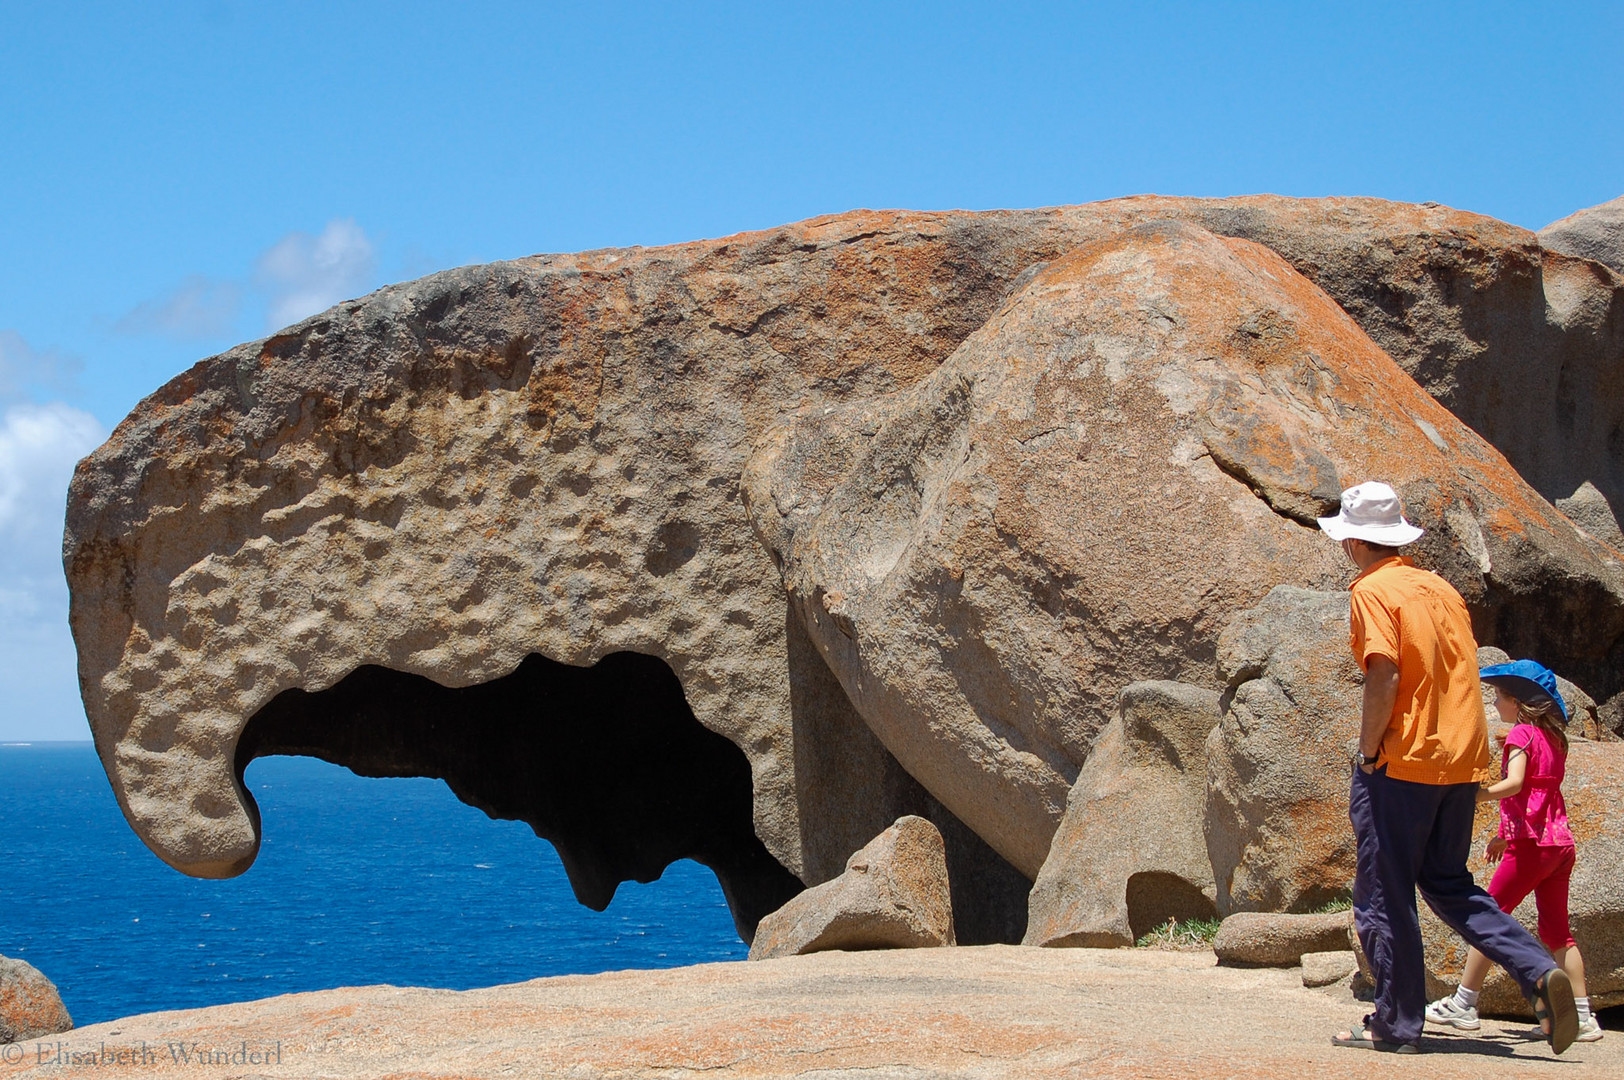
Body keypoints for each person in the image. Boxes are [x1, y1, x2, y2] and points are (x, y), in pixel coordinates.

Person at [1317, 481, 1578, 1055]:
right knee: (1448, 882)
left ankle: (1395, 1024)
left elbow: (1384, 674)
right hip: (1462, 757)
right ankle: (1538, 970)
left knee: (1385, 893)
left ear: (1353, 541)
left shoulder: (1372, 591)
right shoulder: (1438, 587)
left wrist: (1367, 753)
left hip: (1403, 761)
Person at [1425, 660, 1603, 1042]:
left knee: (1488, 918)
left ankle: (1464, 1003)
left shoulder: (1522, 733)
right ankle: (1584, 1016)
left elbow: (1518, 784)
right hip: (1559, 845)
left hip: (1531, 849)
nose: (1495, 704)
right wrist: (1505, 834)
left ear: (1518, 701)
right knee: (1557, 932)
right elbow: (1542, 793)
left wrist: (1476, 795)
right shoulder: (1555, 739)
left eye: (1499, 697)